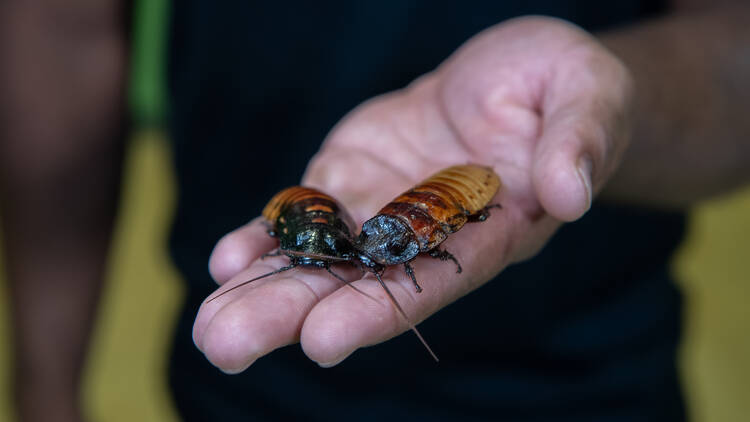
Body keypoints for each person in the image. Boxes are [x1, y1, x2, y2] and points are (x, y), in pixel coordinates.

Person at [1, 0, 748, 421]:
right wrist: (44, 386)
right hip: (242, 395)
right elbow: (57, 27)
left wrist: (612, 98)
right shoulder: (341, 236)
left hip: (592, 383)